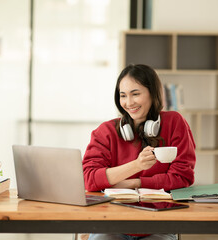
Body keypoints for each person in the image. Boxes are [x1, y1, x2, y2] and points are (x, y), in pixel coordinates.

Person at [82, 64, 196, 240]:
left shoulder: (175, 123)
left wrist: (131, 183)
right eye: (123, 96)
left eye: (135, 94)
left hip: (158, 225)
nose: (129, 103)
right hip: (111, 222)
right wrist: (137, 165)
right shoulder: (106, 132)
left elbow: (182, 178)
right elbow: (89, 179)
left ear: (153, 93)